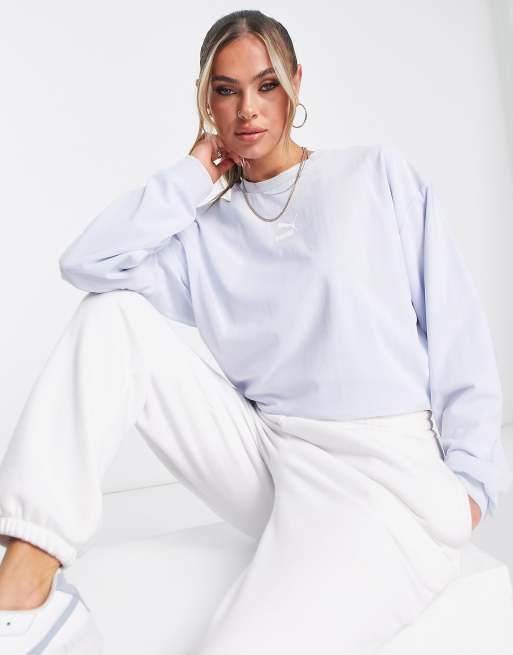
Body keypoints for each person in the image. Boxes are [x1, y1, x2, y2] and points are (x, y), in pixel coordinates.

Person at [0, 8, 511, 655]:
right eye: (226, 90)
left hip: (382, 477)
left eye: (266, 84)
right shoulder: (205, 234)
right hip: (270, 457)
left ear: (295, 82)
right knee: (112, 317)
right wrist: (191, 176)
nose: (247, 109)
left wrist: (470, 486)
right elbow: (88, 264)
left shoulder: (373, 176)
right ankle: (25, 584)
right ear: (206, 102)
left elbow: (458, 330)